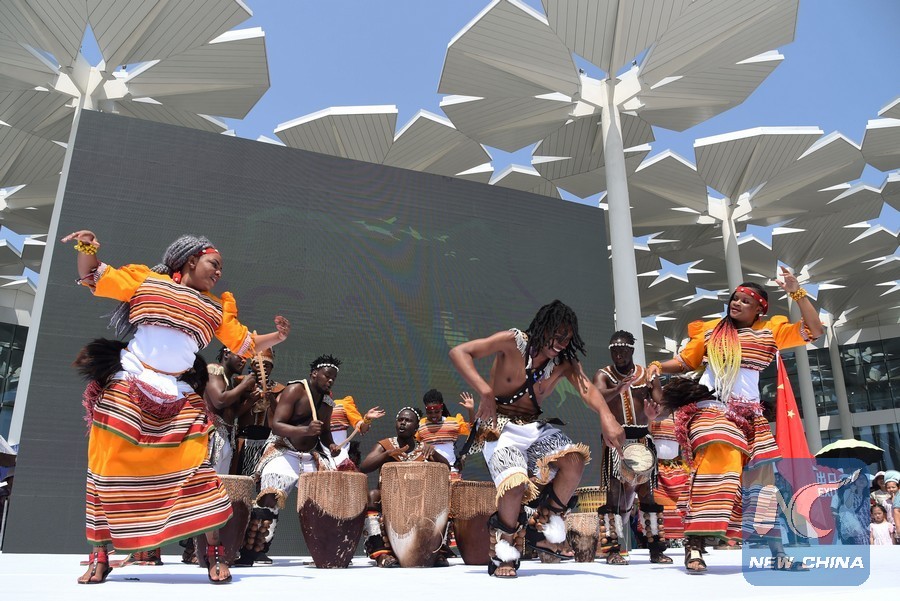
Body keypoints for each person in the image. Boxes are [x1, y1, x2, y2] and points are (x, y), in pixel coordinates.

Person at [62, 229, 290, 585]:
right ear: (191, 260)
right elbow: (93, 274)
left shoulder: (215, 307)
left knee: (198, 470)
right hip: (129, 384)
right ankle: (100, 556)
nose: (218, 272)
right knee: (105, 470)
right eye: (214, 264)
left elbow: (244, 343)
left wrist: (277, 337)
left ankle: (214, 554)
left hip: (178, 395)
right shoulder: (146, 281)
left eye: (220, 268)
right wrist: (87, 247)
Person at [648, 269, 823, 574]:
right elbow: (686, 362)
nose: (737, 303)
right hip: (712, 408)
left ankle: (777, 553)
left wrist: (796, 292)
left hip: (750, 416)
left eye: (745, 301)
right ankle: (695, 545)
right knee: (720, 461)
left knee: (762, 483)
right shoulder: (711, 330)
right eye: (735, 298)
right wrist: (657, 366)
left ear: (759, 310)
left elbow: (815, 330)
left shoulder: (771, 330)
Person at [449, 300, 626, 578]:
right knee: (515, 485)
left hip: (532, 426)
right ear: (543, 328)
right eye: (558, 335)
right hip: (499, 426)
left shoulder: (564, 361)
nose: (561, 343)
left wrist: (607, 417)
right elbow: (460, 352)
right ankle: (504, 553)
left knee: (574, 459)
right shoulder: (513, 341)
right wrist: (485, 392)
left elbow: (587, 389)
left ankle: (542, 527)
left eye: (567, 338)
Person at [239, 355, 340, 566]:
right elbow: (277, 425)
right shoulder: (295, 390)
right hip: (284, 451)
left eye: (333, 378)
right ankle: (254, 551)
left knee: (326, 499)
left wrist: (331, 445)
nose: (330, 381)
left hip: (311, 455)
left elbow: (324, 432)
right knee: (269, 496)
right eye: (327, 376)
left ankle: (323, 554)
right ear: (314, 374)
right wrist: (305, 430)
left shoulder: (328, 403)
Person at [592, 330, 669, 565]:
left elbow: (662, 406)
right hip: (616, 440)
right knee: (614, 495)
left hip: (642, 438)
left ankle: (656, 549)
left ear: (632, 350)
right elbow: (596, 397)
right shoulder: (604, 375)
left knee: (647, 495)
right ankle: (612, 550)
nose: (619, 355)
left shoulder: (647, 375)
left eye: (623, 350)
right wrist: (618, 389)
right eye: (615, 351)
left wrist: (654, 414)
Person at [359, 407, 450, 567]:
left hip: (418, 502)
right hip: (390, 500)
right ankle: (380, 553)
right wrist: (387, 455)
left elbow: (446, 468)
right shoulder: (385, 445)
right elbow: (364, 467)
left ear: (416, 427)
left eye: (408, 421)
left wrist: (434, 454)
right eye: (400, 419)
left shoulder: (423, 449)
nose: (403, 423)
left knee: (443, 497)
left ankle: (437, 551)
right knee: (373, 495)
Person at [416, 389, 475, 479]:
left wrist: (471, 410)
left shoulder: (453, 422)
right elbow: (414, 443)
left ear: (441, 408)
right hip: (428, 469)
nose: (433, 415)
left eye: (437, 412)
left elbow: (472, 430)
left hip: (451, 469)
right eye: (430, 413)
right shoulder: (421, 424)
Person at [328, 394, 385, 466]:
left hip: (340, 454)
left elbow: (362, 428)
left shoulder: (342, 404)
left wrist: (367, 419)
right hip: (320, 452)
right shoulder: (314, 409)